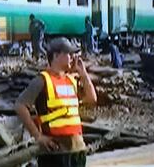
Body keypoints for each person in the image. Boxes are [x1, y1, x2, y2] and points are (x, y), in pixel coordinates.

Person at [15, 37, 97, 167]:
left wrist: (83, 74)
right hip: (55, 154)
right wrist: (38, 136)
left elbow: (92, 99)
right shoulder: (42, 80)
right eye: (68, 53)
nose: (73, 56)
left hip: (77, 150)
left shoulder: (71, 80)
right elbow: (20, 105)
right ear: (56, 55)